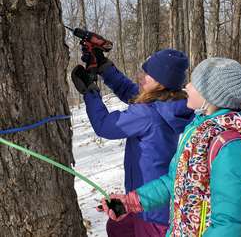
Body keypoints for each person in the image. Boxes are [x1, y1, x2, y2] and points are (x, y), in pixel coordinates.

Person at [102, 57, 241, 237]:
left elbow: (230, 225)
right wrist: (130, 202)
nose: (187, 86)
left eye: (194, 84)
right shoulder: (199, 130)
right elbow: (176, 180)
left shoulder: (230, 148)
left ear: (211, 95)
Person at [71, 49, 194, 237]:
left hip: (150, 209)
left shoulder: (149, 114)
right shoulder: (168, 102)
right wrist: (105, 67)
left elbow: (105, 126)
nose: (142, 77)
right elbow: (130, 91)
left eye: (148, 75)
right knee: (116, 228)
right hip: (149, 199)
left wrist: (90, 91)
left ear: (162, 83)